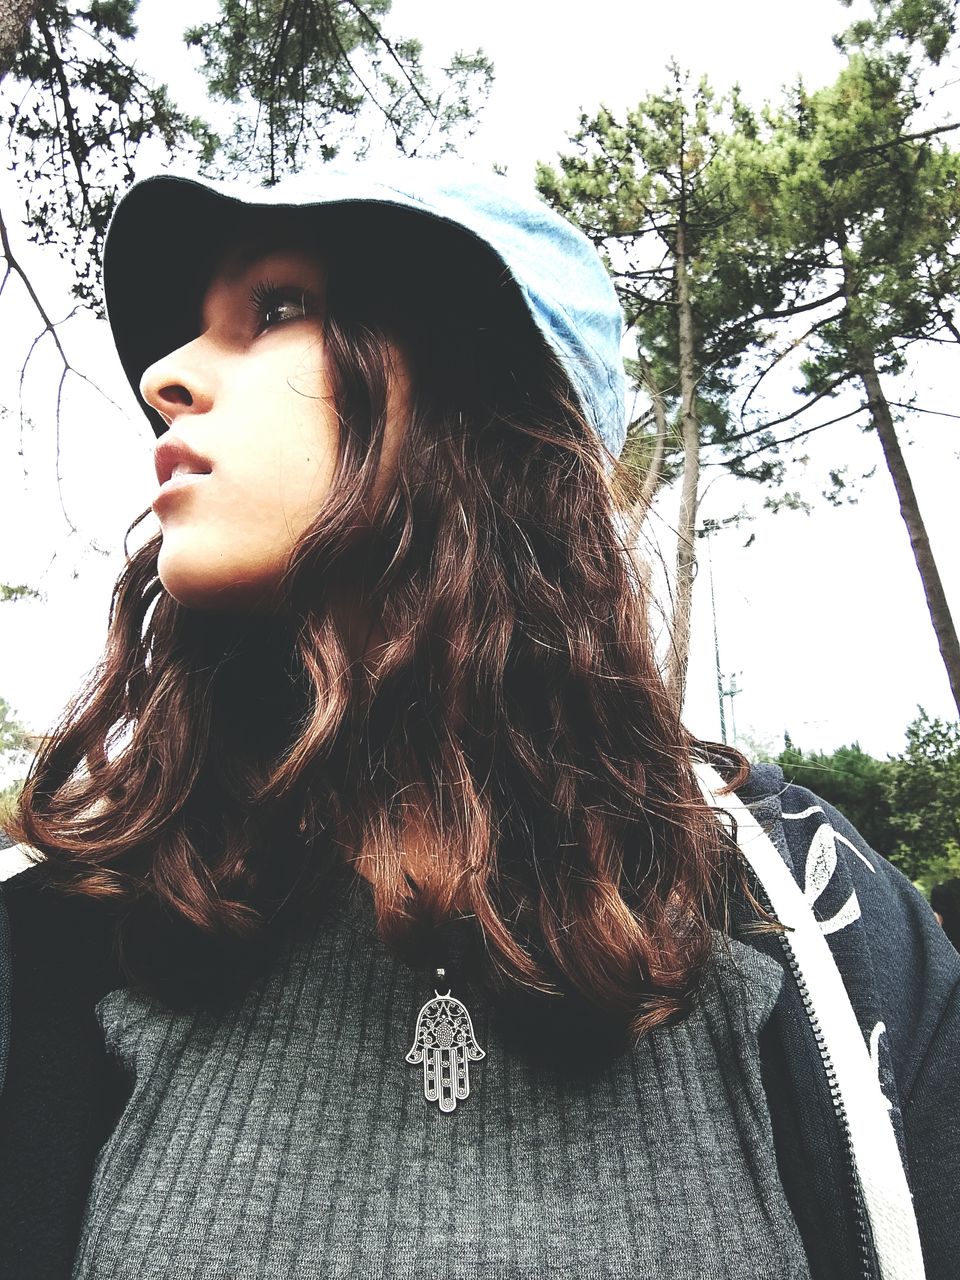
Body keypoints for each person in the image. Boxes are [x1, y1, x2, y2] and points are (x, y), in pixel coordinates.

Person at [0, 159, 957, 1280]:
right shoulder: (67, 932)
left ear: (475, 393)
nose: (164, 374)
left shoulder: (816, 921)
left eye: (275, 309)